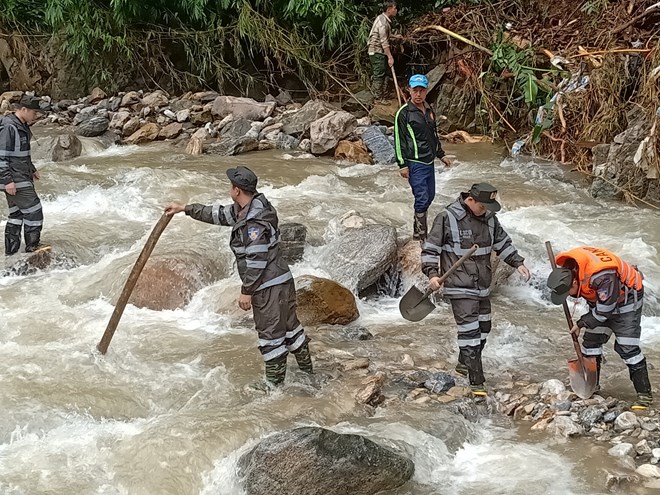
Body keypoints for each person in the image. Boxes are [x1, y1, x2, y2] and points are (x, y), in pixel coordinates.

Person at [165, 166, 313, 389]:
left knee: (271, 336)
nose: (229, 189)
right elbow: (218, 214)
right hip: (282, 280)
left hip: (268, 287)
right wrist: (184, 209)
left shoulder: (253, 223)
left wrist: (247, 292)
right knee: (291, 328)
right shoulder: (254, 206)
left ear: (236, 190)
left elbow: (256, 260)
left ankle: (274, 388)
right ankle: (308, 373)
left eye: (230, 186)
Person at [421, 183, 531, 396]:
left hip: (482, 286)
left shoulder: (490, 220)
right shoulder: (447, 218)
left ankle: (464, 363)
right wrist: (432, 274)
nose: (486, 210)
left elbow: (503, 243)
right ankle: (476, 384)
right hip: (459, 285)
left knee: (484, 328)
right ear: (470, 200)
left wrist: (518, 263)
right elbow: (430, 250)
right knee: (470, 334)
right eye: (483, 206)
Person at [547, 246, 652, 410]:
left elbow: (604, 311)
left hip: (627, 301)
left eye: (568, 292)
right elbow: (601, 308)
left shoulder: (602, 277)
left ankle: (645, 396)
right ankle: (592, 386)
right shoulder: (569, 269)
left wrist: (581, 323)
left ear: (574, 282)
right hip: (603, 301)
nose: (568, 296)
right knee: (590, 344)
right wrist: (585, 322)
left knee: (627, 348)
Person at [395, 74, 452, 242]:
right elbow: (399, 140)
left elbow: (433, 135)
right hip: (414, 162)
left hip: (429, 161)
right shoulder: (404, 113)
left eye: (421, 90)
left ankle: (417, 230)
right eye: (415, 90)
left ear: (426, 91)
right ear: (409, 90)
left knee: (430, 196)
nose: (418, 94)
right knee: (421, 197)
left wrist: (441, 155)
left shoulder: (428, 110)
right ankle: (421, 237)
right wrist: (402, 165)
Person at [1, 94, 51, 255]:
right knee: (34, 209)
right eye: (34, 113)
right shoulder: (10, 127)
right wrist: (7, 180)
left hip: (21, 174)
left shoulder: (21, 125)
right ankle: (32, 246)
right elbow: (1, 155)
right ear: (23, 109)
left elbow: (22, 153)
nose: (36, 116)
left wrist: (32, 168)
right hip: (14, 177)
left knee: (17, 213)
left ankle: (11, 251)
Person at [367, 1, 397, 102]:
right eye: (394, 8)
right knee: (379, 74)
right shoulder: (383, 23)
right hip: (376, 51)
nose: (396, 10)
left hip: (379, 51)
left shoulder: (384, 19)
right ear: (389, 9)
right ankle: (378, 98)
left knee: (384, 73)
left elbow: (385, 36)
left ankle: (382, 95)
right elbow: (384, 42)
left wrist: (395, 36)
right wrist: (390, 57)